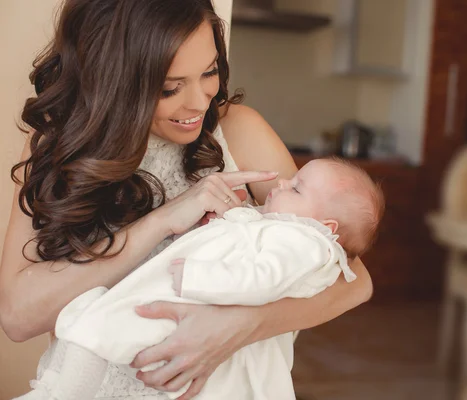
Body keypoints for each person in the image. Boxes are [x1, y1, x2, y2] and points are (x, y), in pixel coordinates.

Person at [0, 1, 374, 399]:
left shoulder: (239, 130)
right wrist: (161, 221)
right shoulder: (59, 147)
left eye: (209, 72)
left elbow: (352, 280)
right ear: (113, 80)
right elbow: (18, 317)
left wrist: (238, 327)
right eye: (169, 87)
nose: (199, 102)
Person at [19, 158, 385, 400]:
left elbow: (261, 278)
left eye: (298, 188)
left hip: (187, 304)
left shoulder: (307, 243)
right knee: (93, 325)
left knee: (100, 331)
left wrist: (199, 277)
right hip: (168, 299)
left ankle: (59, 392)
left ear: (326, 227)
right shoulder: (281, 224)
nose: (285, 181)